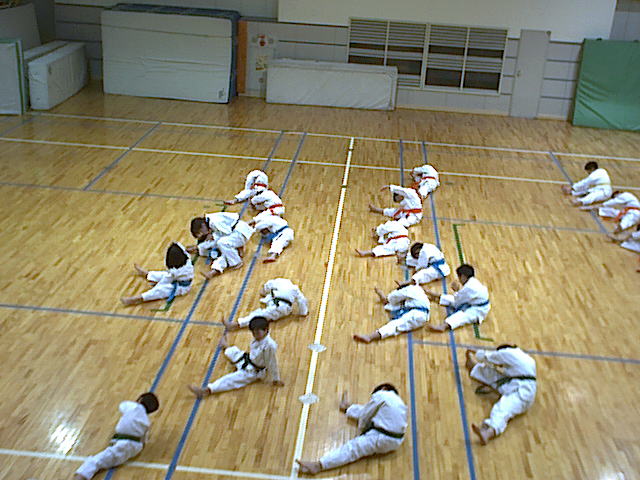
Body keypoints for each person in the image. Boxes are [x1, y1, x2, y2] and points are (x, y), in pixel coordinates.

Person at [296, 383, 407, 475]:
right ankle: (347, 407)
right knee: (366, 413)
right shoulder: (399, 403)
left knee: (353, 448)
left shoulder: (382, 394)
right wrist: (349, 409)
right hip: (396, 442)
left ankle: (318, 465)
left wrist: (363, 433)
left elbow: (365, 415)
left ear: (384, 388)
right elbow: (368, 411)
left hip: (382, 438)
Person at [188, 317, 283, 397]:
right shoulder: (258, 338)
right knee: (236, 352)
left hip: (253, 372)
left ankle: (207, 390)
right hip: (248, 360)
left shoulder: (270, 346)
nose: (255, 335)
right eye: (253, 333)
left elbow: (272, 363)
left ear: (266, 330)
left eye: (257, 333)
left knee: (230, 379)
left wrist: (276, 379)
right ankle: (225, 345)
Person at [73, 392, 159, 479]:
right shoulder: (146, 422)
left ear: (140, 399)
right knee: (105, 459)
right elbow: (144, 442)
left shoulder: (131, 406)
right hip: (135, 447)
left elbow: (121, 406)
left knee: (95, 462)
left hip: (124, 444)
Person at [465, 345, 536, 445]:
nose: (501, 366)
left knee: (502, 408)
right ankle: (474, 368)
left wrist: (473, 351)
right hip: (516, 384)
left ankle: (488, 433)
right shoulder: (524, 357)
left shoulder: (507, 353)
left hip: (523, 394)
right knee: (493, 375)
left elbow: (488, 356)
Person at [121, 242, 193, 306]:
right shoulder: (186, 257)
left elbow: (166, 280)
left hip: (181, 288)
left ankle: (138, 298)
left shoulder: (180, 271)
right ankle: (147, 274)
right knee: (162, 274)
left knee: (160, 290)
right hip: (175, 278)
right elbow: (179, 245)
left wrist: (158, 285)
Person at [424, 264, 490, 332]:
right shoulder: (472, 282)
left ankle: (443, 326)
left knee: (461, 316)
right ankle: (436, 296)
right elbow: (458, 298)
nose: (459, 280)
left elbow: (457, 302)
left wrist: (456, 290)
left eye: (459, 277)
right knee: (453, 299)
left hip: (479, 310)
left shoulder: (469, 287)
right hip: (473, 303)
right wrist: (457, 292)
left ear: (463, 276)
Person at [353, 285, 430, 343]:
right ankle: (371, 336)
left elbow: (393, 297)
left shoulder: (412, 289)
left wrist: (383, 295)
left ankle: (370, 337)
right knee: (397, 326)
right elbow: (391, 303)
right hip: (421, 317)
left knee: (395, 325)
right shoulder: (419, 296)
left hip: (417, 315)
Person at [224, 278, 309, 330]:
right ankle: (270, 317)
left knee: (259, 315)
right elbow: (301, 301)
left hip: (279, 307)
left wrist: (263, 291)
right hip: (278, 304)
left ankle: (235, 325)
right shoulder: (294, 289)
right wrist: (303, 312)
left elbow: (266, 287)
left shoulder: (276, 282)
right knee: (265, 310)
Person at [189, 212, 254, 277]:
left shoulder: (214, 221)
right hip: (234, 234)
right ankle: (213, 270)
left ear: (202, 227)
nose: (204, 234)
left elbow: (227, 232)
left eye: (201, 232)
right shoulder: (210, 220)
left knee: (221, 243)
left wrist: (213, 236)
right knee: (223, 251)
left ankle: (237, 262)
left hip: (239, 234)